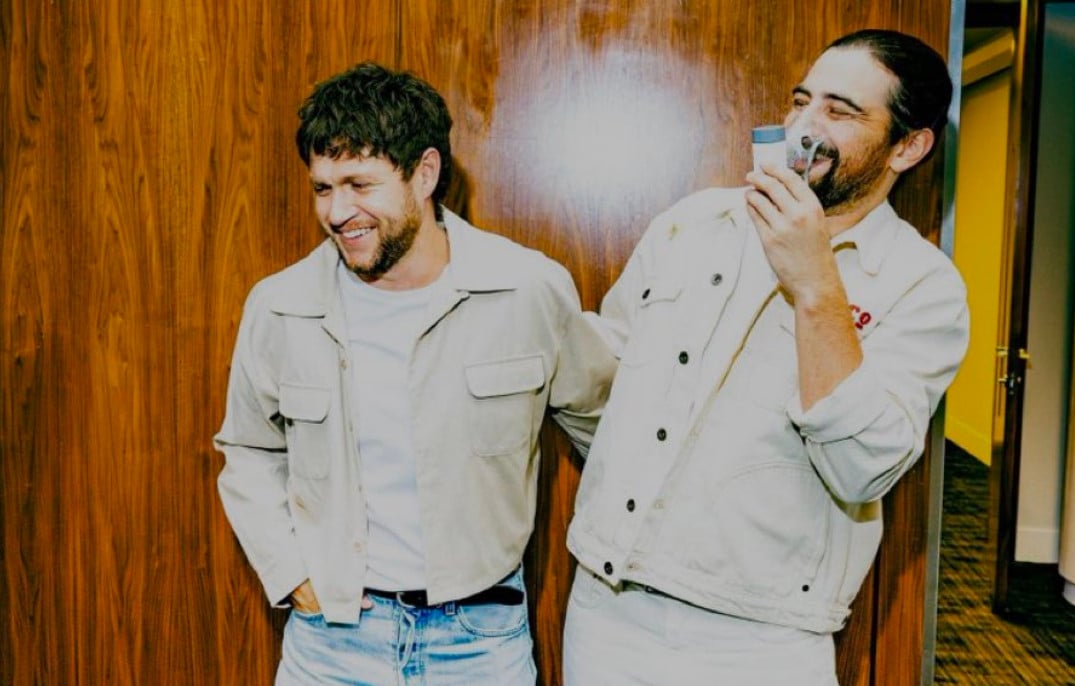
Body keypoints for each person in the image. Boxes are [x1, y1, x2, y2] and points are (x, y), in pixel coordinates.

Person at [563, 29, 970, 685]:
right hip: (607, 609)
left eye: (840, 111)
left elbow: (863, 468)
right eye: (801, 101)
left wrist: (815, 285)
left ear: (908, 146)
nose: (804, 128)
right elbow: (606, 389)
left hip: (760, 640)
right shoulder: (694, 223)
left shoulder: (923, 288)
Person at [213, 63, 615, 685]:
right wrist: (291, 574)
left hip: (480, 646)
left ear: (424, 173)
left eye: (359, 184)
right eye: (323, 188)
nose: (337, 212)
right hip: (331, 647)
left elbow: (610, 431)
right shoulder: (280, 305)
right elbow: (247, 448)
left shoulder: (527, 289)